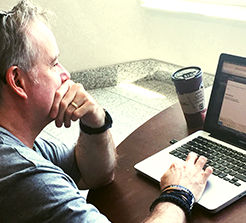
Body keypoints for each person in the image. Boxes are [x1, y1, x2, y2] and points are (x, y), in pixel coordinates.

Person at [0, 1, 213, 222]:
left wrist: (96, 121)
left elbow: (93, 174)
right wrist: (179, 193)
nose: (65, 74)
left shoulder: (20, 142)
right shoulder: (23, 174)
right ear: (17, 80)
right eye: (54, 64)